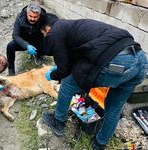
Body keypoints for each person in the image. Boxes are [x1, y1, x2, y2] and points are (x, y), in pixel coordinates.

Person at [41, 19, 148, 150]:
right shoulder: (79, 28)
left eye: (45, 35)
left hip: (117, 64)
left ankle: (58, 121)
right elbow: (77, 60)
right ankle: (100, 143)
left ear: (47, 30)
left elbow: (64, 69)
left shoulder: (55, 31)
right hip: (141, 60)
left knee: (68, 85)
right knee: (114, 107)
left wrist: (52, 75)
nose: (48, 39)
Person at [6, 3, 58, 76]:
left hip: (39, 42)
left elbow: (52, 29)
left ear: (39, 15)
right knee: (10, 46)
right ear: (27, 13)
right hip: (26, 42)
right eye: (30, 16)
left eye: (35, 17)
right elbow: (15, 35)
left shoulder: (45, 18)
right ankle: (11, 70)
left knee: (54, 48)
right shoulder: (20, 18)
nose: (33, 19)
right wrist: (26, 45)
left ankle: (55, 67)